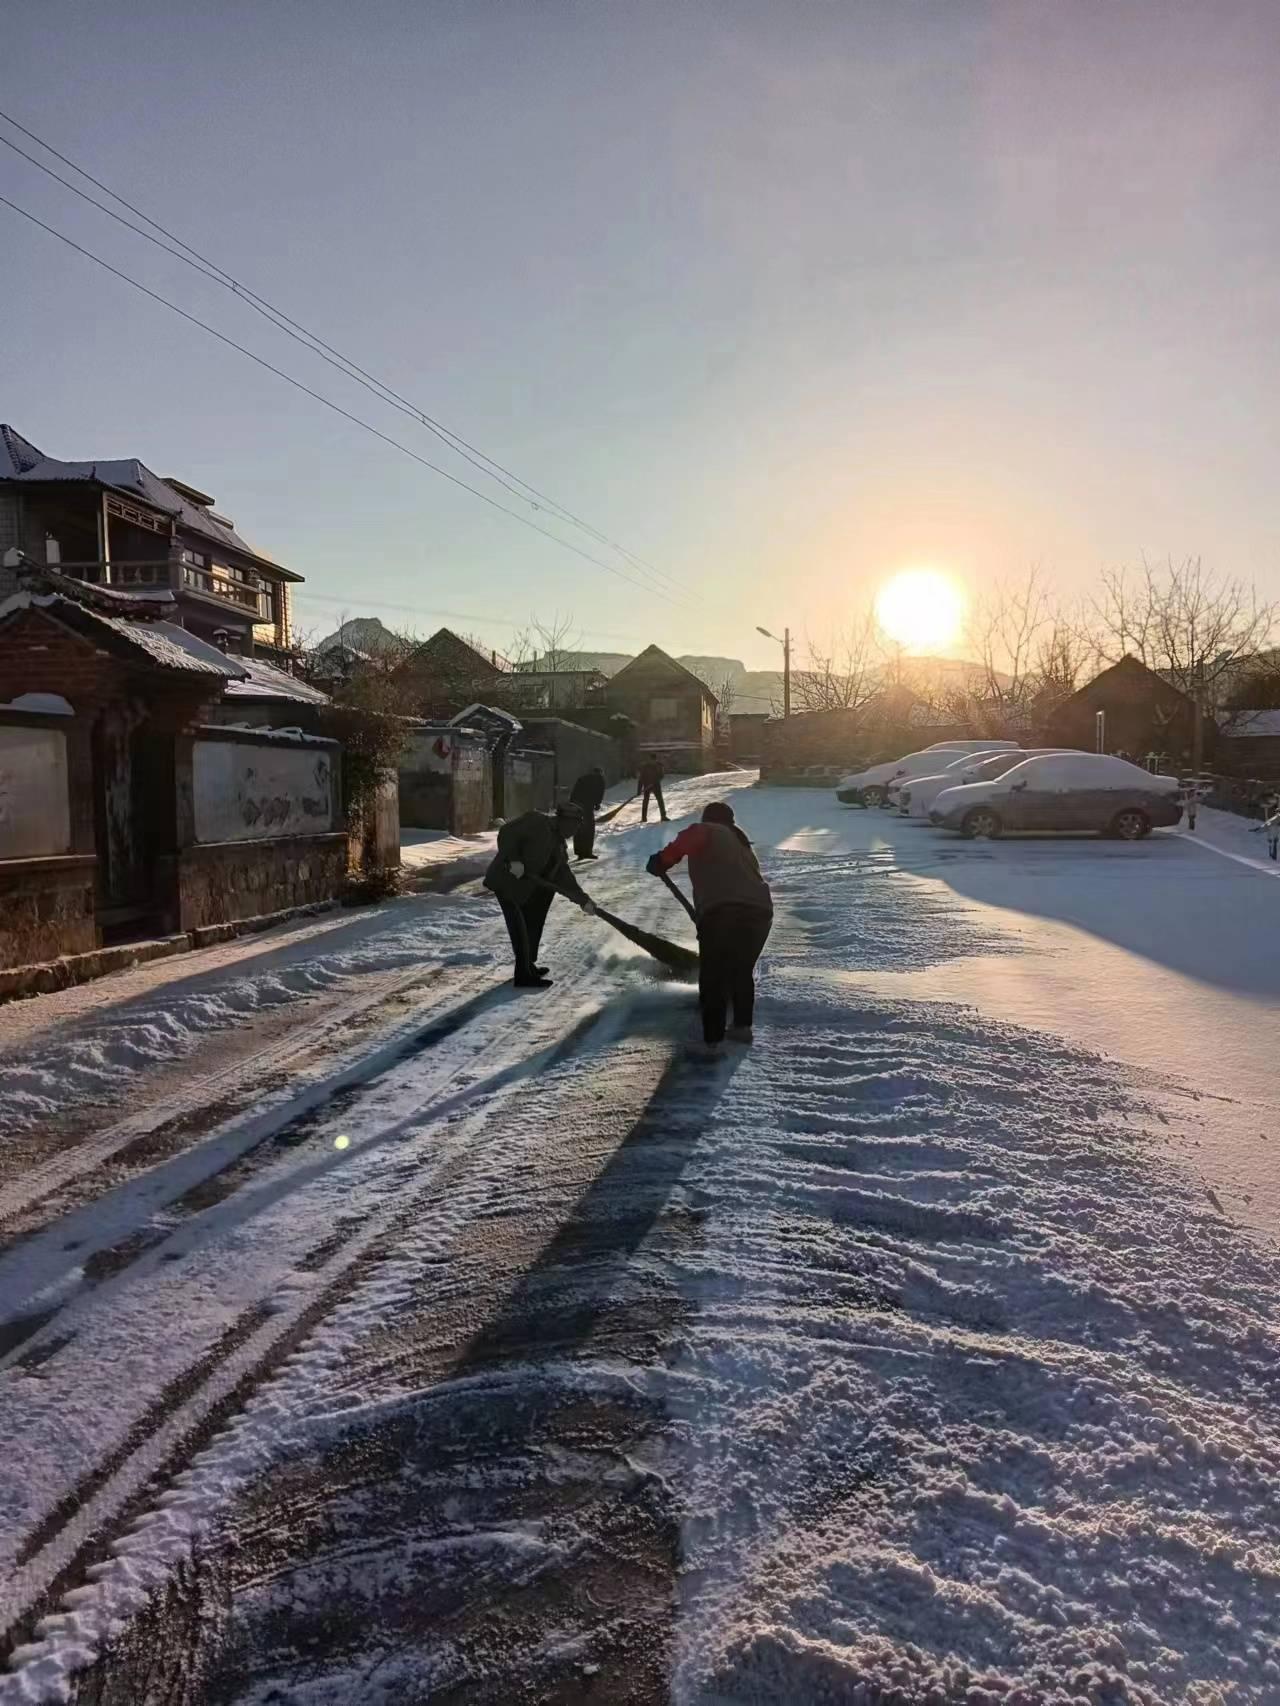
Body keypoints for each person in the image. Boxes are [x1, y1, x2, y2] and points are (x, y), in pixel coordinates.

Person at [647, 800, 772, 1048]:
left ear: (709, 818)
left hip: (723, 911)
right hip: (760, 914)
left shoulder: (707, 830)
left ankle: (713, 1039)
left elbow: (683, 843)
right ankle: (742, 1027)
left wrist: (661, 861)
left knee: (713, 973)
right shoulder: (741, 843)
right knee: (740, 970)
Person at [484, 803, 596, 989]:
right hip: (507, 882)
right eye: (574, 826)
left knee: (532, 925)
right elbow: (506, 833)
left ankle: (529, 965)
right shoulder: (536, 822)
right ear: (564, 820)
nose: (575, 831)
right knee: (519, 928)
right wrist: (514, 859)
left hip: (527, 888)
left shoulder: (558, 844)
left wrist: (583, 900)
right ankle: (523, 976)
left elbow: (563, 875)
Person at [569, 765, 607, 860]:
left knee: (579, 828)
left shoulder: (582, 778)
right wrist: (597, 804)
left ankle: (579, 852)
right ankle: (587, 852)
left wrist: (572, 805)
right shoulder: (600, 779)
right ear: (600, 773)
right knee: (589, 829)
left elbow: (574, 792)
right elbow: (600, 793)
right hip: (587, 806)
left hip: (577, 805)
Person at [637, 754, 668, 823]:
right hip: (646, 785)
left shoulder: (659, 766)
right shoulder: (645, 767)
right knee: (645, 801)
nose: (652, 761)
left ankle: (663, 816)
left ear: (655, 760)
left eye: (654, 760)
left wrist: (655, 781)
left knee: (660, 800)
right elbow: (641, 778)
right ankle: (644, 818)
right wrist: (639, 790)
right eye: (651, 760)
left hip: (656, 785)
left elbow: (661, 776)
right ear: (649, 760)